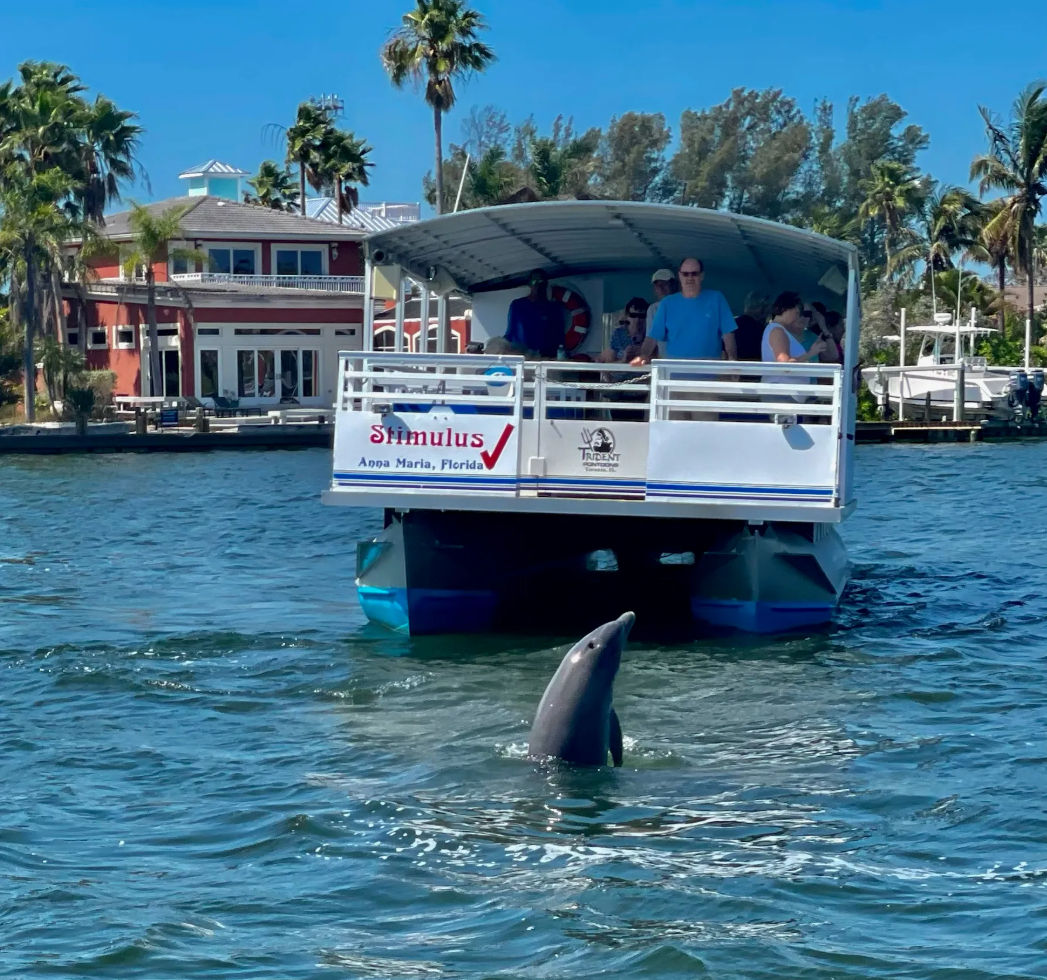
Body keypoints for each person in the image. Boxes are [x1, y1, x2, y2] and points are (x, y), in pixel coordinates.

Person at [634, 257, 737, 363]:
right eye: (685, 274)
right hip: (675, 370)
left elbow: (728, 334)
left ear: (702, 276)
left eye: (694, 274)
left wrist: (732, 359)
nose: (690, 278)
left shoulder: (717, 299)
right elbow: (652, 337)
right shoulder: (667, 304)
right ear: (680, 275)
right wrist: (643, 356)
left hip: (710, 370)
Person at [761, 292, 827, 390]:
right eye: (796, 313)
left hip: (788, 392)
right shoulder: (777, 331)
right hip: (783, 392)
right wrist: (811, 353)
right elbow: (785, 365)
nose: (797, 317)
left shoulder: (779, 330)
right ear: (785, 309)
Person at [503, 269, 565, 358]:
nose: (537, 284)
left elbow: (559, 336)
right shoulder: (518, 305)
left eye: (541, 281)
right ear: (529, 284)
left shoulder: (554, 308)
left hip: (546, 356)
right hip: (522, 355)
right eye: (534, 281)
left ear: (546, 284)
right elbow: (510, 331)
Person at [599, 297, 649, 364]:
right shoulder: (618, 334)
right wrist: (624, 359)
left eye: (642, 316)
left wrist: (643, 352)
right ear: (627, 315)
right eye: (633, 315)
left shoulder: (651, 334)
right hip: (621, 371)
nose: (637, 319)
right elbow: (609, 362)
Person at [734, 291, 769, 361]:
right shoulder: (762, 330)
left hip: (733, 368)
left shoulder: (732, 325)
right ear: (759, 308)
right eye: (766, 307)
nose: (768, 312)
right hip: (755, 369)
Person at [646, 268, 675, 336]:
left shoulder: (685, 305)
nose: (661, 288)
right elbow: (650, 337)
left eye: (665, 284)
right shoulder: (653, 309)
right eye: (657, 285)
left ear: (673, 285)